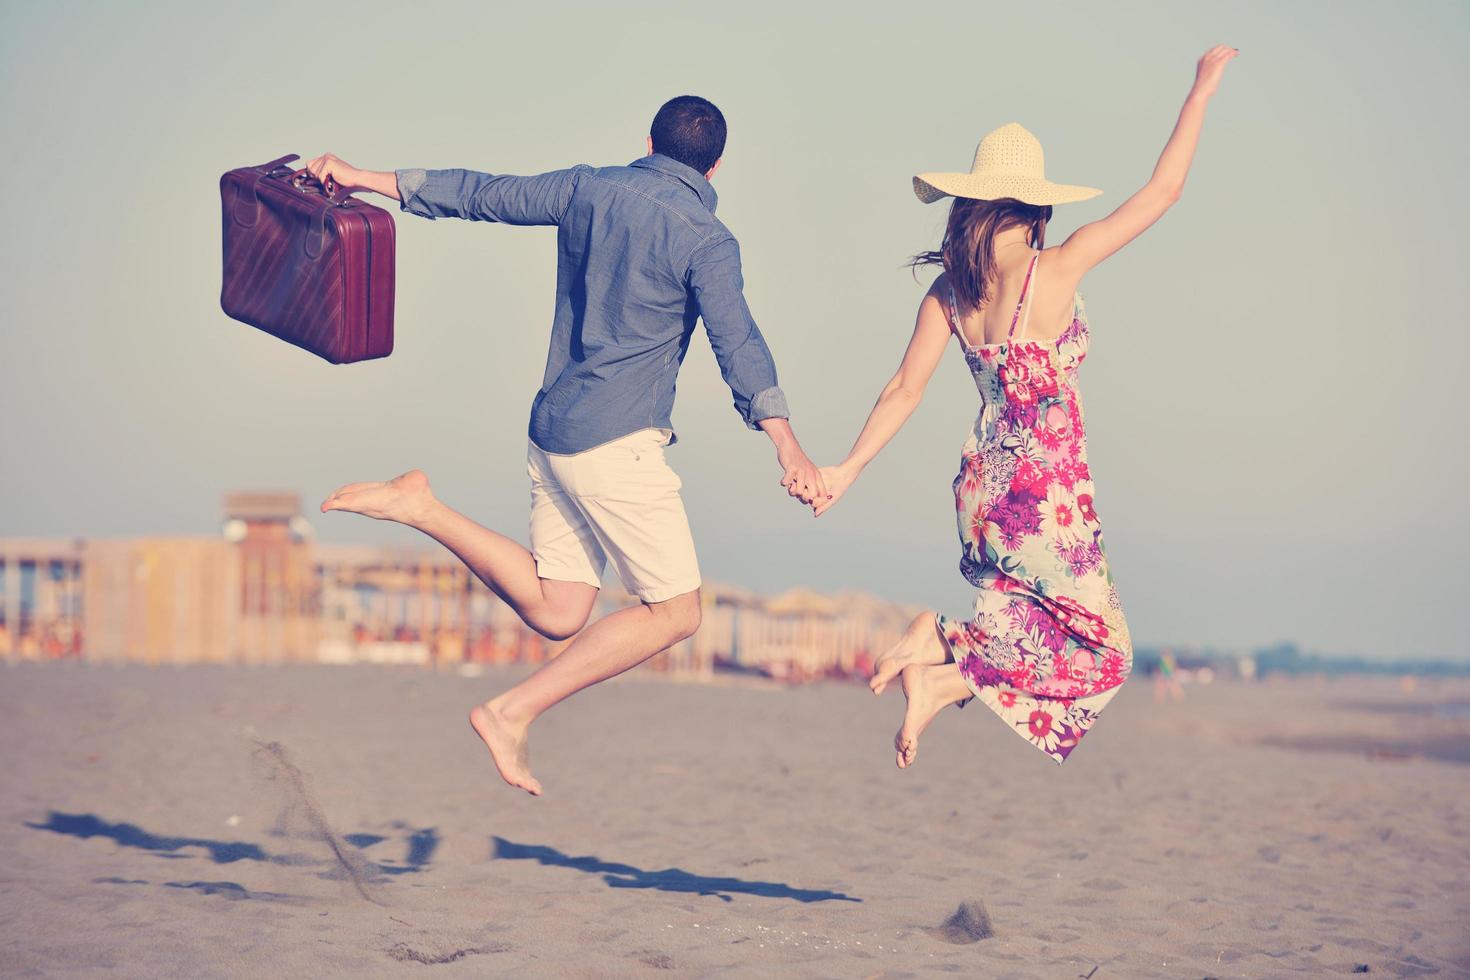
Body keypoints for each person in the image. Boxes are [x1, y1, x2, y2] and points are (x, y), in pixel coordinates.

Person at [307, 96, 825, 796]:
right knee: (676, 612)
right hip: (614, 443)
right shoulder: (708, 239)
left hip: (553, 430)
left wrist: (362, 176)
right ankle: (509, 711)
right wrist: (785, 444)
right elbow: (739, 344)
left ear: (648, 140)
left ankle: (421, 507)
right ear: (716, 165)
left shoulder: (588, 186)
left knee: (559, 610)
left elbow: (482, 194)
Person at [815, 46, 1237, 768]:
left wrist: (846, 469)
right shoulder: (1057, 267)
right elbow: (1161, 194)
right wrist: (1200, 93)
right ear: (1037, 205)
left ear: (971, 203)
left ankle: (942, 681)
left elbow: (903, 390)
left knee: (1036, 634)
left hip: (985, 488)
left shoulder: (950, 292)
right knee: (1102, 654)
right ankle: (940, 641)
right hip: (1045, 493)